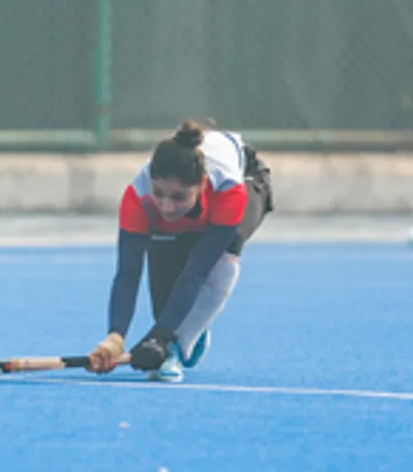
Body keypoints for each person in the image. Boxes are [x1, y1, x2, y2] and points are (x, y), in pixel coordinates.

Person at [87, 119, 274, 382]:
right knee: (163, 265)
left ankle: (177, 344)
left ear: (201, 185)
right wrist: (114, 338)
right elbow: (128, 274)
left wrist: (161, 337)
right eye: (158, 193)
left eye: (179, 197)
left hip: (248, 177)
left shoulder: (228, 189)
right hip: (198, 202)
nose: (167, 206)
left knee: (225, 252)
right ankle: (182, 328)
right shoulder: (137, 199)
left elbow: (196, 272)